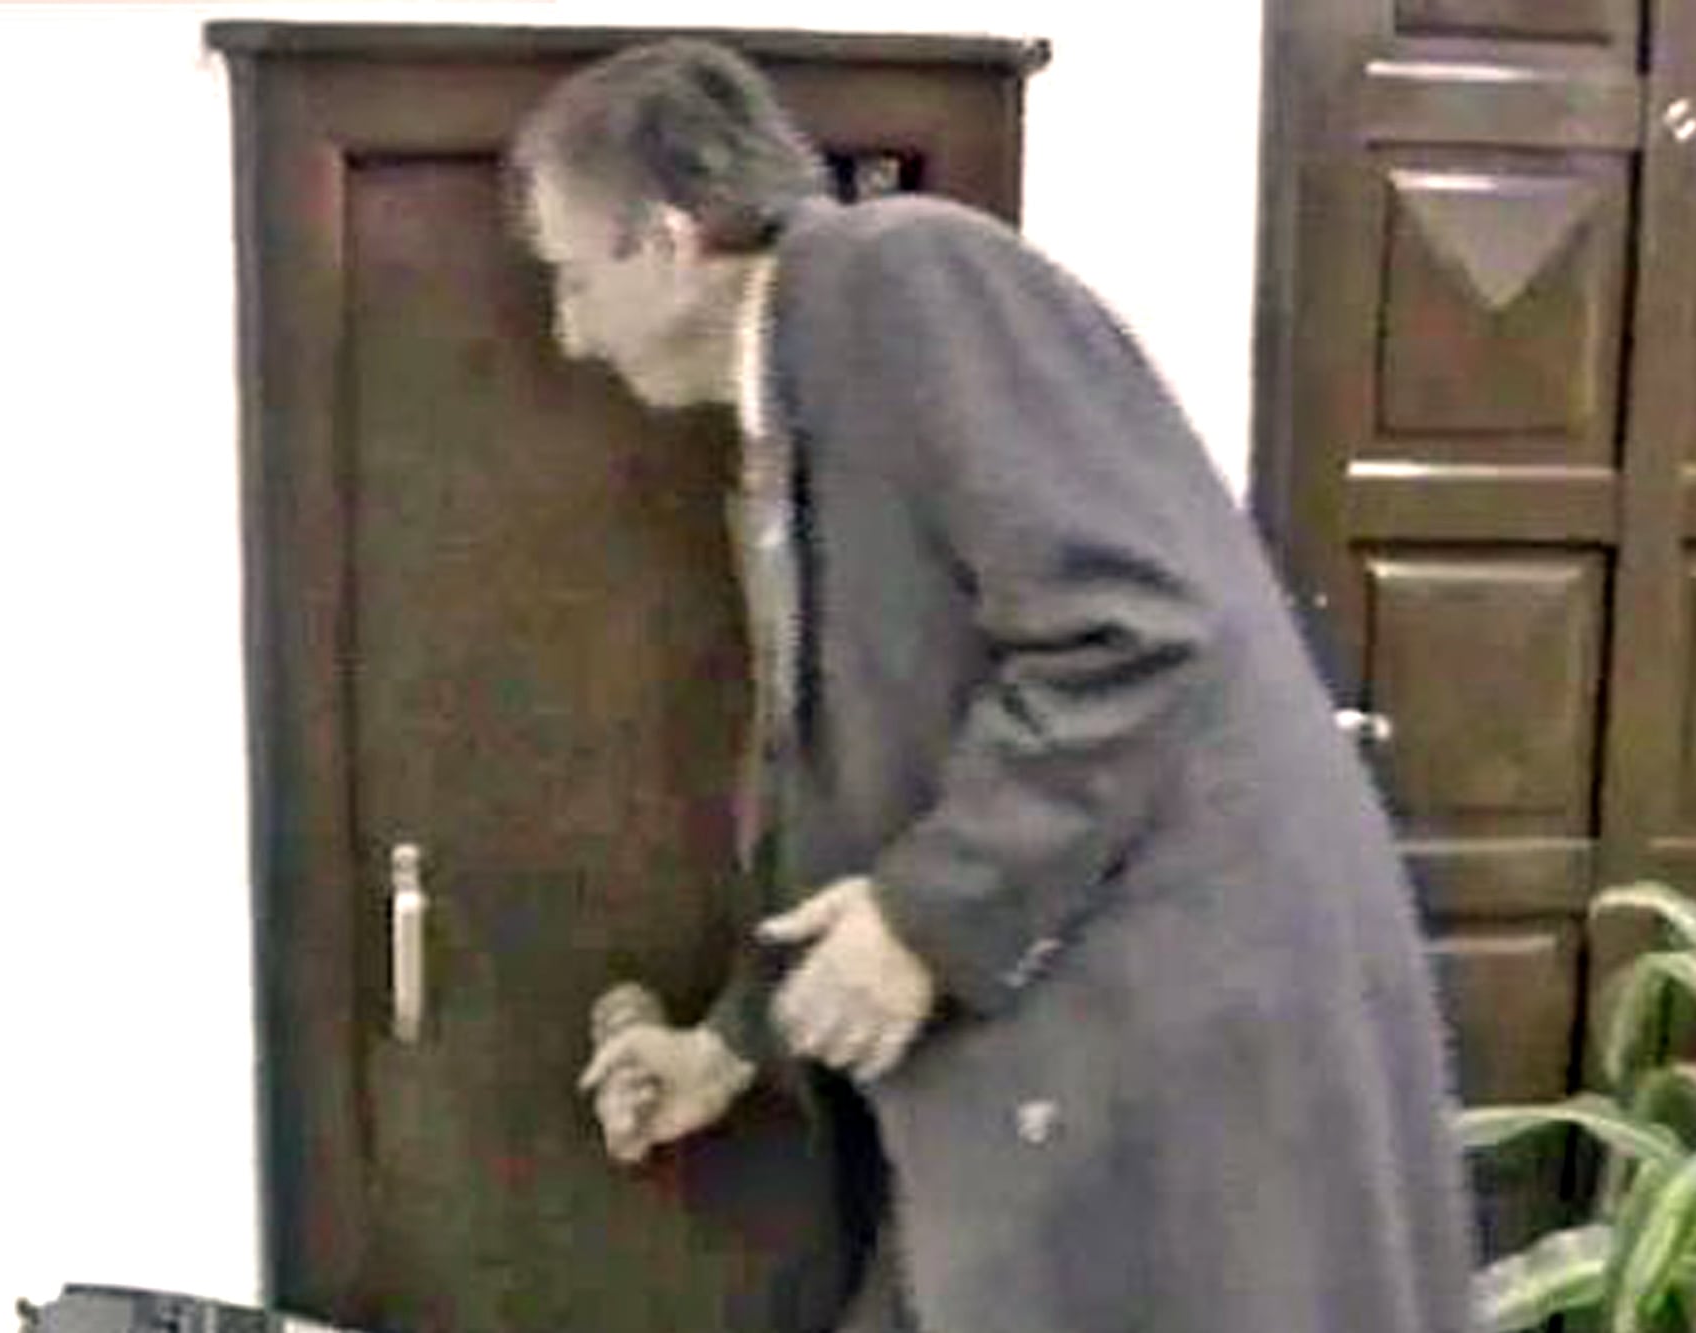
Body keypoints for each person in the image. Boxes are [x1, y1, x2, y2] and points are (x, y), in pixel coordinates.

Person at [515, 38, 1475, 1333]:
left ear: (668, 242)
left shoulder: (900, 277)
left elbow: (1133, 630)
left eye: (572, 278)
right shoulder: (808, 365)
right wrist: (735, 1044)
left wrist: (925, 918)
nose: (569, 335)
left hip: (1174, 1028)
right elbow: (868, 778)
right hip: (1082, 1034)